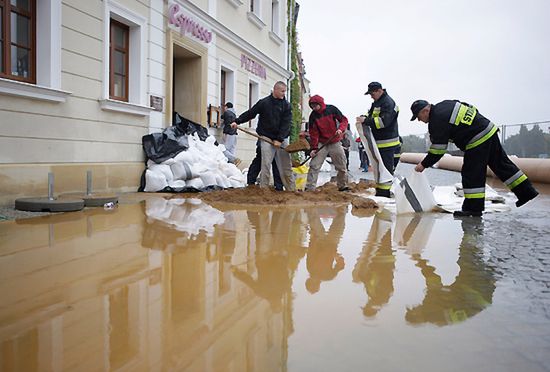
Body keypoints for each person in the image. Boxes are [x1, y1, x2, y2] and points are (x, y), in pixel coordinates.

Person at [410, 99, 539, 216]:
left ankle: (473, 209)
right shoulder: (446, 104)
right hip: (488, 129)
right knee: (501, 164)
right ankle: (527, 192)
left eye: (418, 116)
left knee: (471, 173)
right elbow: (469, 107)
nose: (419, 120)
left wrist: (423, 164)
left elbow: (438, 150)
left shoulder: (436, 120)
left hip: (477, 139)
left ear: (425, 110)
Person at [231, 81, 295, 191]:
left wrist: (279, 139)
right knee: (265, 163)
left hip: (281, 138)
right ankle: (264, 189)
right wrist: (237, 121)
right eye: (282, 91)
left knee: (286, 165)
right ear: (275, 90)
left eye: (285, 91)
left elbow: (286, 124)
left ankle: (291, 189)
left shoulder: (286, 106)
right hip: (266, 136)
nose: (284, 93)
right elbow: (251, 113)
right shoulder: (264, 103)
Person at [356, 82, 401, 197]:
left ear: (379, 91)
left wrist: (366, 121)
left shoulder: (388, 103)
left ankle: (384, 194)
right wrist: (365, 117)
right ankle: (381, 192)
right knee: (380, 169)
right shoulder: (377, 102)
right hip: (380, 142)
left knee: (385, 170)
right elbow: (371, 115)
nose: (371, 96)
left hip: (387, 143)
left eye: (372, 93)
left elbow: (383, 122)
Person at [305, 95, 350, 191]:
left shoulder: (332, 109)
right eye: (312, 106)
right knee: (314, 165)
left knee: (341, 165)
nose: (314, 108)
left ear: (320, 104)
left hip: (335, 141)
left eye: (315, 106)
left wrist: (340, 129)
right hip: (322, 143)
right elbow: (314, 133)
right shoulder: (313, 116)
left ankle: (342, 186)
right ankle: (309, 188)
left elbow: (344, 120)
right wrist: (314, 148)